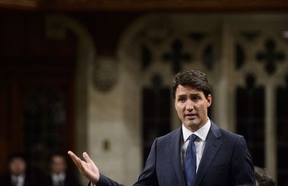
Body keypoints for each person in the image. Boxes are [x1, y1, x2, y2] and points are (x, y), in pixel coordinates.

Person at [68, 69, 256, 186]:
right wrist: (99, 180)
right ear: (175, 104)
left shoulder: (233, 145)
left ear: (208, 100)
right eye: (182, 99)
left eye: (195, 98)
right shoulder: (161, 146)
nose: (188, 106)